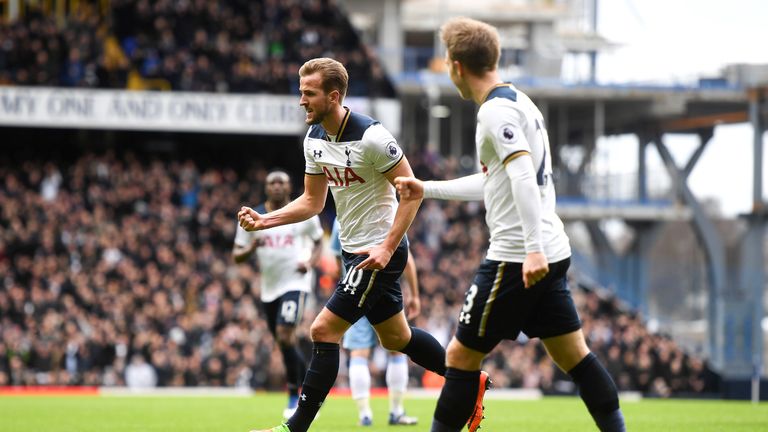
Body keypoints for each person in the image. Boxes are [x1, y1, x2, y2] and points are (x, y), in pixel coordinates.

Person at [395, 17, 627, 432]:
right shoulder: (519, 102)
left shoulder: (494, 112)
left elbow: (521, 175)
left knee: (460, 358)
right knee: (574, 354)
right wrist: (426, 188)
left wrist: (532, 247)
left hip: (518, 256)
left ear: (456, 66)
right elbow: (495, 181)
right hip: (551, 251)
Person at [239, 57, 446, 432]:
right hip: (354, 252)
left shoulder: (373, 138)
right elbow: (312, 202)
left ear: (333, 97)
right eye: (301, 92)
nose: (301, 100)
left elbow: (412, 193)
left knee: (323, 330)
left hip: (376, 253)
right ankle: (467, 378)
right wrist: (265, 220)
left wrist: (385, 249)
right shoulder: (314, 139)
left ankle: (294, 427)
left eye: (309, 93)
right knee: (397, 338)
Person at [232, 170, 324, 420]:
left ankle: (297, 393)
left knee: (285, 334)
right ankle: (306, 388)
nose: (276, 186)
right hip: (269, 288)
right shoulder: (254, 216)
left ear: (289, 186)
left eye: (280, 182)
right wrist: (252, 246)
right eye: (271, 182)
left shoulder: (301, 212)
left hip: (296, 281)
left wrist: (311, 263)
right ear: (265, 188)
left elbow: (318, 242)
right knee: (284, 342)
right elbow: (236, 255)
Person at [330, 219, 419, 427]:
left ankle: (365, 414)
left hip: (356, 289)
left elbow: (337, 261)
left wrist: (345, 283)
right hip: (385, 289)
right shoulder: (386, 214)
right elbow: (407, 257)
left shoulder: (341, 219)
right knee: (397, 348)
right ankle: (396, 411)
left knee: (359, 353)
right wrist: (415, 294)